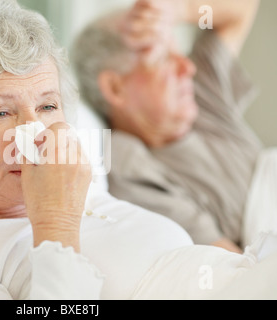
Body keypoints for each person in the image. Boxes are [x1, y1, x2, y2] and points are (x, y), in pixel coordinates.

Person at [0, 0, 277, 300]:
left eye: (47, 106)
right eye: (2, 112)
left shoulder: (82, 185)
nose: (37, 132)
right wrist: (55, 224)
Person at [71, 0, 264, 253]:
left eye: (179, 53)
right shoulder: (128, 165)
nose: (188, 68)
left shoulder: (202, 91)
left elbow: (243, 8)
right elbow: (236, 266)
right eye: (163, 58)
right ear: (115, 88)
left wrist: (178, 11)